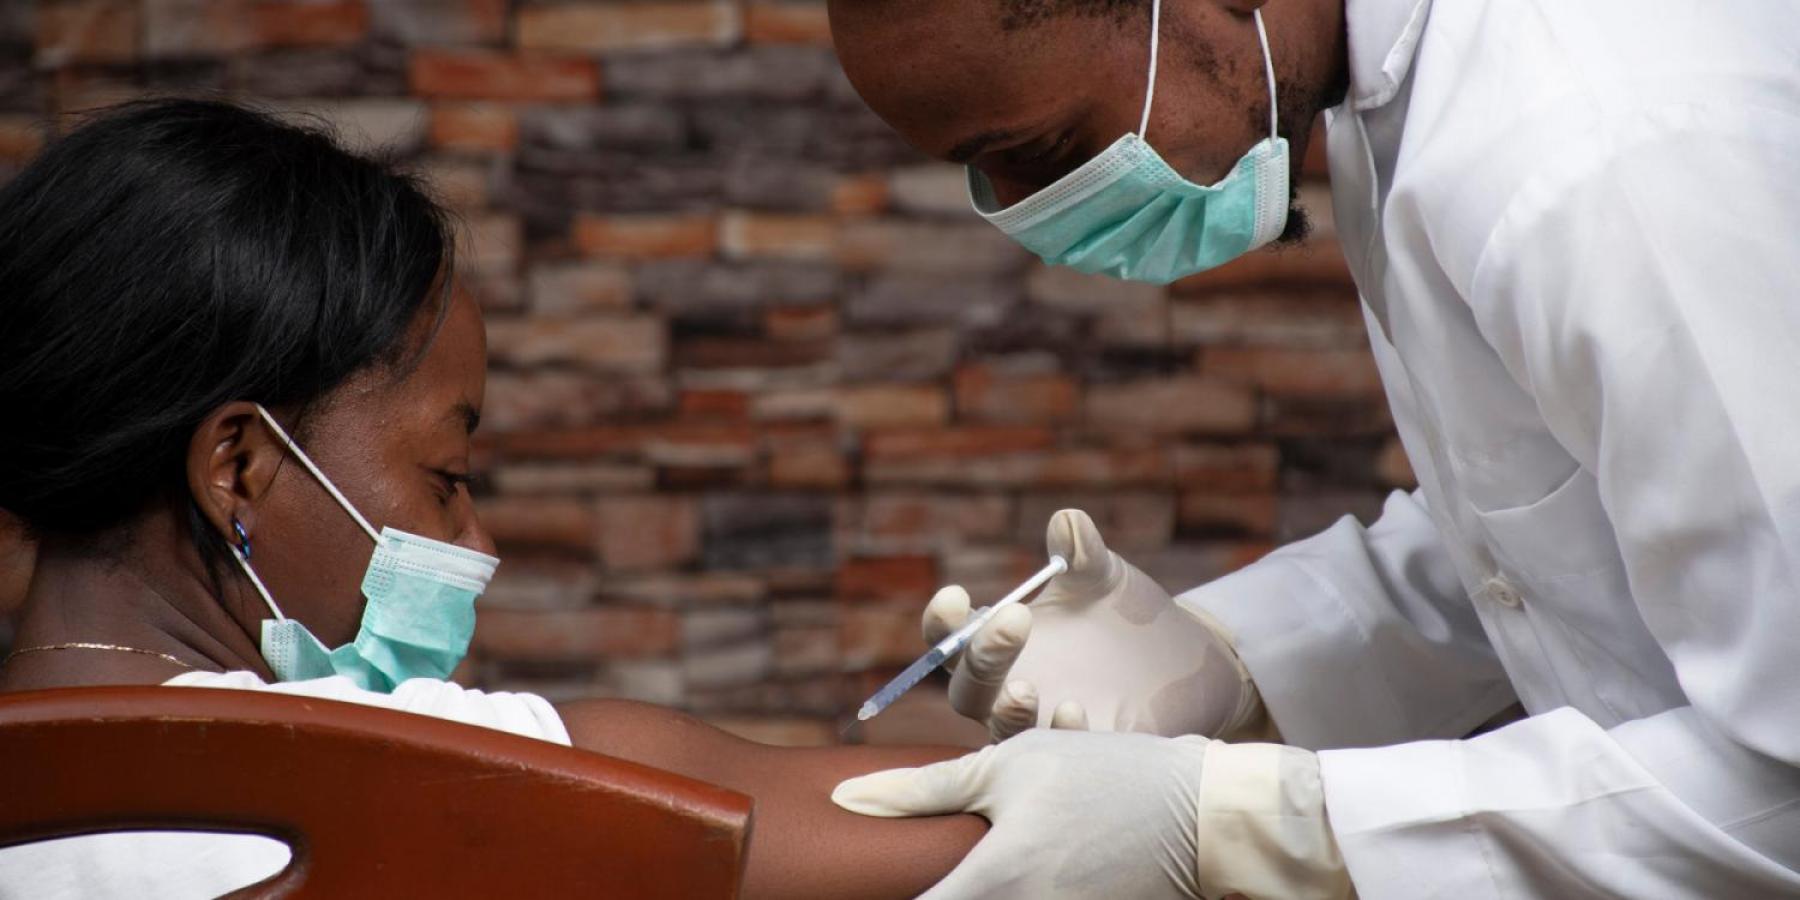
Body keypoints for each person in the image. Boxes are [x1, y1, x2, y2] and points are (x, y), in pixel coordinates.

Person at [823, 0, 1800, 896]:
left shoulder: (1602, 154)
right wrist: (1228, 663)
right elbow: (1568, 525)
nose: (1033, 210)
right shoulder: (1392, 93)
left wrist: (1250, 829)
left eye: (1042, 147)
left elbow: (1786, 780)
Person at [0, 98, 985, 899]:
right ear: (241, 470)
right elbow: (985, 824)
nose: (476, 539)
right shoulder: (395, 772)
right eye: (446, 479)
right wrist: (1121, 739)